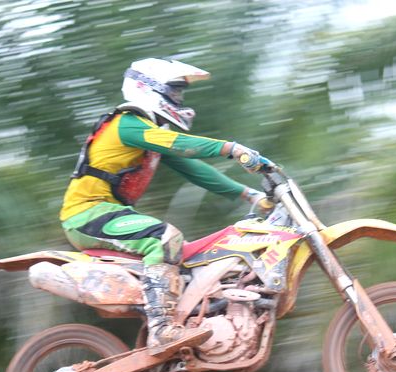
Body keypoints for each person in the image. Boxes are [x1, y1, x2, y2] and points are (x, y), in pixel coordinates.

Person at [60, 57, 271, 349]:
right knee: (164, 239)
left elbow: (194, 169)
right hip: (86, 214)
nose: (179, 99)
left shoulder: (148, 133)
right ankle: (162, 329)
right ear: (148, 88)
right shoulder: (127, 124)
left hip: (110, 214)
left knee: (196, 256)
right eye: (174, 91)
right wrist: (231, 149)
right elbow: (180, 144)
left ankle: (196, 317)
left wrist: (251, 195)